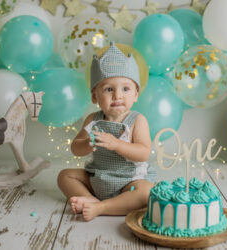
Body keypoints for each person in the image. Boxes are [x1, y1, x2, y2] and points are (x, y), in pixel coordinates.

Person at [57, 42, 156, 221]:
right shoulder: (93, 120)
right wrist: (87, 144)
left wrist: (117, 144)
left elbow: (143, 153)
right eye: (109, 89)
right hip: (98, 177)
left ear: (135, 94)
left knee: (146, 193)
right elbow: (75, 148)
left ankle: (101, 207)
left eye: (125, 89)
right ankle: (89, 198)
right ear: (95, 96)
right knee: (65, 176)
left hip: (129, 182)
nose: (118, 95)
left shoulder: (137, 120)